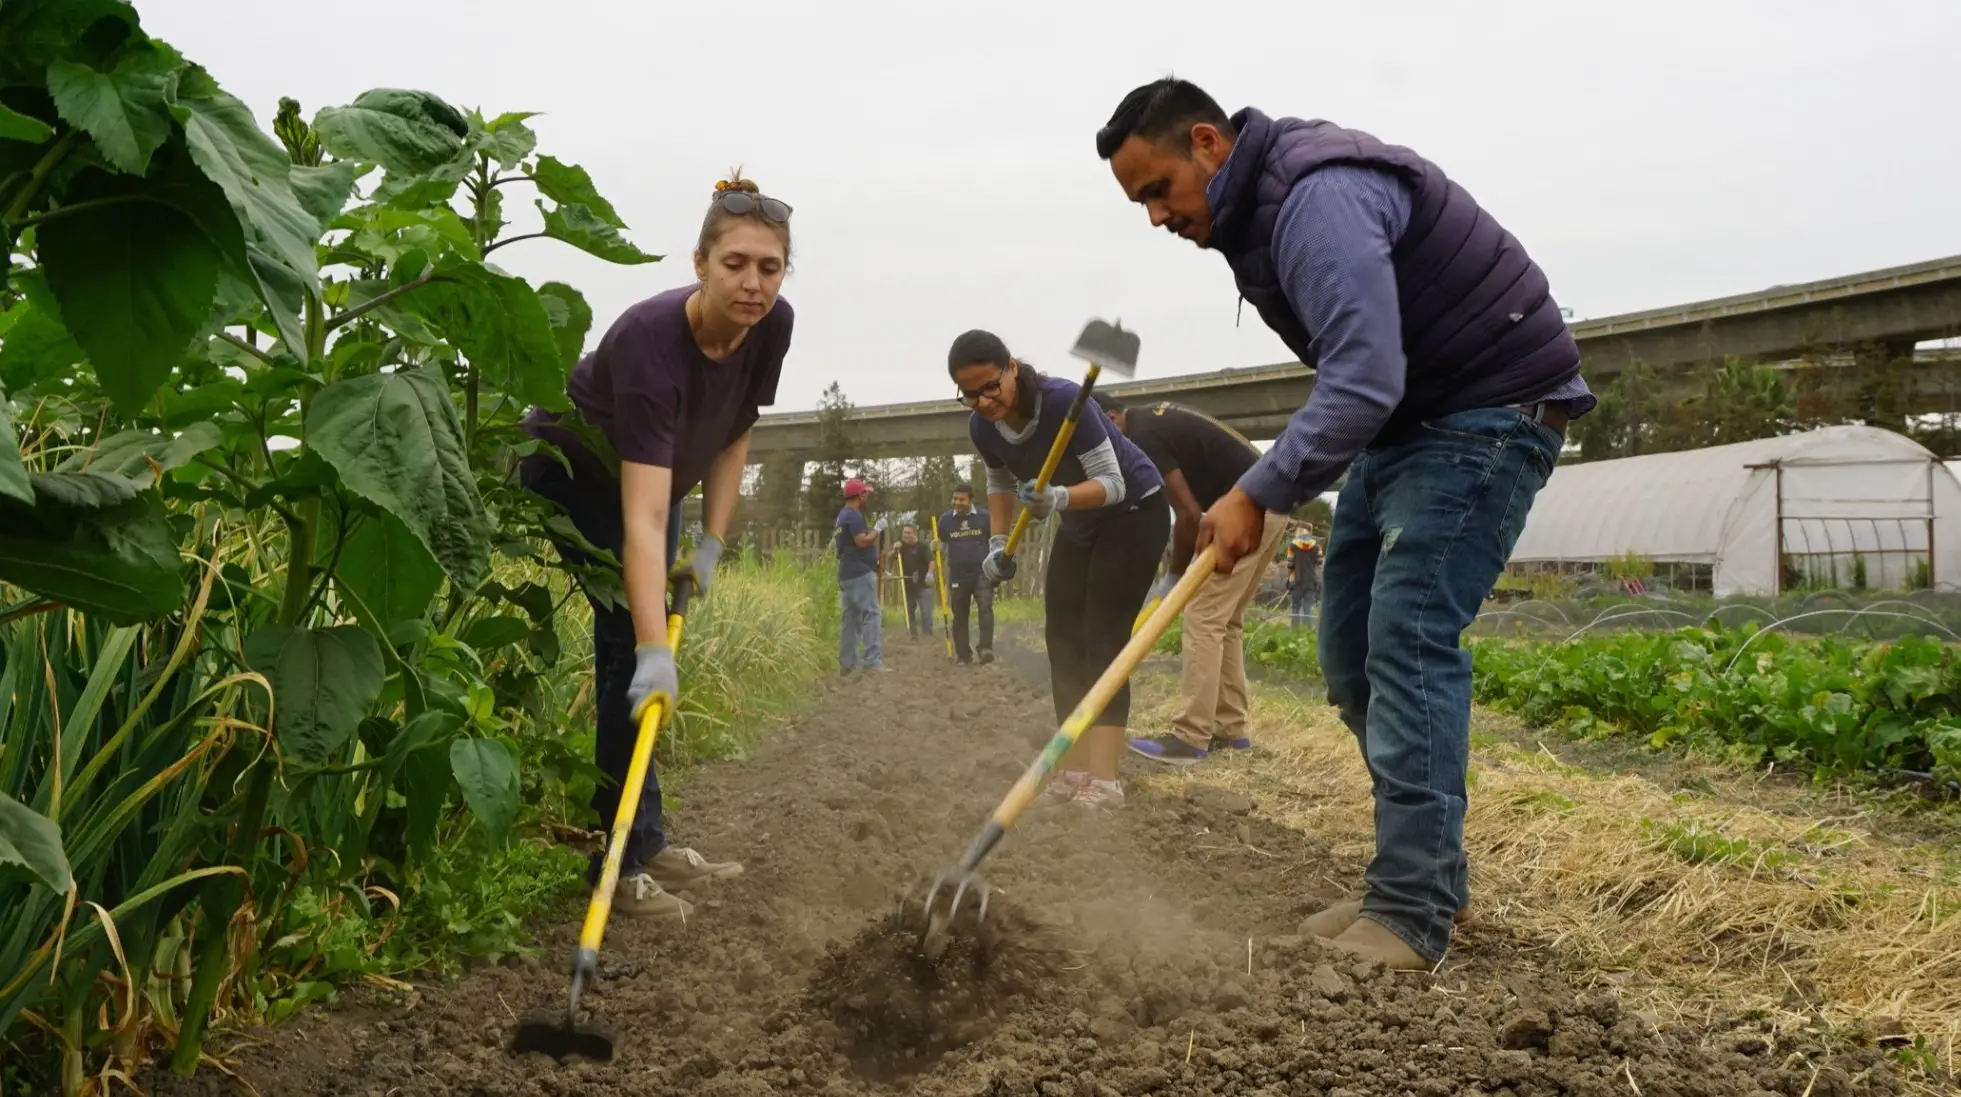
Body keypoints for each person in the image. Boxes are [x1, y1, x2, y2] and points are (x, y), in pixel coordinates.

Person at [1097, 79, 1589, 968]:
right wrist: (1268, 483)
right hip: (1411, 425)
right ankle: (1422, 876)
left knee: (1404, 641)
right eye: (1140, 203)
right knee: (1350, 655)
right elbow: (1365, 384)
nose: (1156, 216)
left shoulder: (1314, 196)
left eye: (1156, 190)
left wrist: (1257, 488)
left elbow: (1362, 375)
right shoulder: (1258, 211)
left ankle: (1409, 908)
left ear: (1207, 142)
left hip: (1486, 411)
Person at [519, 175, 788, 919]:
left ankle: (647, 836)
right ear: (699, 262)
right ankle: (619, 862)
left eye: (769, 267)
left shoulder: (770, 324)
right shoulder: (648, 342)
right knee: (627, 650)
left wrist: (710, 539)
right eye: (735, 263)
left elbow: (736, 428)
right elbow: (636, 520)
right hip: (576, 474)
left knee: (650, 632)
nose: (753, 283)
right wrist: (651, 649)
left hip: (655, 480)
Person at [951, 329, 1168, 811]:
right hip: (1081, 521)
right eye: (970, 394)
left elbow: (1112, 484)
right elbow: (999, 478)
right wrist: (996, 542)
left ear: (1011, 368)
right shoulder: (982, 427)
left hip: (1133, 511)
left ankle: (1106, 780)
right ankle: (1071, 767)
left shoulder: (1063, 402)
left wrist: (1059, 497)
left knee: (1102, 640)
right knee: (1062, 637)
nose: (984, 401)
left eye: (991, 386)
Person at [1100, 396, 1285, 765]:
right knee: (1225, 621)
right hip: (1271, 503)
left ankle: (1190, 737)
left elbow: (1187, 516)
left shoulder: (1143, 436)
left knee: (1202, 616)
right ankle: (1231, 730)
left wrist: (1172, 577)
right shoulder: (1154, 421)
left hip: (1248, 509)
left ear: (1111, 420)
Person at [835, 478, 890, 674]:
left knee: (851, 619)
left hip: (846, 573)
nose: (867, 495)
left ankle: (847, 664)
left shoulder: (842, 516)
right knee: (871, 614)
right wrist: (877, 530)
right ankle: (872, 660)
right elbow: (862, 542)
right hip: (859, 573)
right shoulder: (854, 516)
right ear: (859, 496)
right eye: (865, 492)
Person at [936, 484, 994, 665]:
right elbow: (941, 541)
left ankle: (985, 648)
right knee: (960, 614)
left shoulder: (985, 517)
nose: (957, 503)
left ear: (970, 500)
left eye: (961, 499)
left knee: (985, 608)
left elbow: (994, 539)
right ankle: (963, 655)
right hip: (958, 573)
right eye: (955, 499)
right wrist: (936, 546)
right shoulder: (945, 520)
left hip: (981, 572)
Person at [889, 524, 935, 640]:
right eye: (904, 533)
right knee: (909, 612)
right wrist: (894, 550)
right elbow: (890, 558)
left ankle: (927, 636)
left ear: (914, 533)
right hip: (908, 586)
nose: (906, 535)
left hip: (923, 584)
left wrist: (930, 574)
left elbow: (931, 561)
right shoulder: (901, 547)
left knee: (926, 612)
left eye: (909, 533)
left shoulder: (923, 546)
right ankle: (913, 635)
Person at [1286, 529, 1322, 627]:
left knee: (1295, 607)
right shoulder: (1316, 546)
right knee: (1307, 607)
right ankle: (1307, 630)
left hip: (1296, 580)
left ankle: (1294, 630)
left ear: (1298, 534)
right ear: (1309, 535)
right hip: (1311, 579)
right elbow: (1319, 562)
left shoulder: (1292, 546)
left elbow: (1290, 564)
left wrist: (1289, 579)